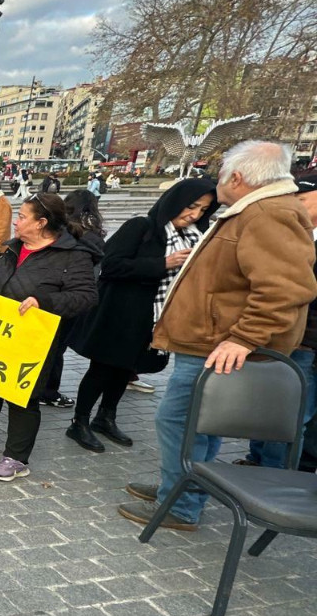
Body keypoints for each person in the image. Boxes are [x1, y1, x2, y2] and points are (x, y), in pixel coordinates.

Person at [119, 142, 317, 531]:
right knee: (199, 425)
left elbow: (285, 288)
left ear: (238, 177)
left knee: (178, 421)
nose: (217, 180)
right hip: (213, 341)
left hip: (219, 344)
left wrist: (244, 338)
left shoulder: (267, 213)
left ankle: (179, 504)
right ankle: (182, 489)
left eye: (222, 171)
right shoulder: (259, 210)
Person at [0, 192, 98, 482]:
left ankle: (17, 457)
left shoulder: (72, 256)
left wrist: (45, 301)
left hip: (35, 338)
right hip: (0, 331)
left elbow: (85, 297)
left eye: (22, 217)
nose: (15, 222)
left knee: (23, 395)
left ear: (41, 223)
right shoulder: (14, 248)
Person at [66, 179, 218, 453]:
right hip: (119, 313)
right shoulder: (142, 227)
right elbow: (110, 264)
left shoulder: (195, 235)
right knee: (102, 368)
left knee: (126, 368)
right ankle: (80, 421)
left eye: (203, 210)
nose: (194, 215)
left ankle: (106, 416)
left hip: (152, 316)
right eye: (192, 206)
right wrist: (163, 264)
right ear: (175, 201)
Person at [235, 173, 317, 468]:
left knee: (291, 416)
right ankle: (257, 461)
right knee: (266, 409)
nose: (295, 205)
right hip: (278, 338)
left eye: (302, 199)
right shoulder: (289, 232)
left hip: (306, 343)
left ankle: (273, 476)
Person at [37, 189, 106, 409]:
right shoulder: (91, 235)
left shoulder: (60, 230)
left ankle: (41, 386)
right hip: (68, 301)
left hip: (50, 296)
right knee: (56, 348)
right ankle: (47, 390)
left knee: (49, 346)